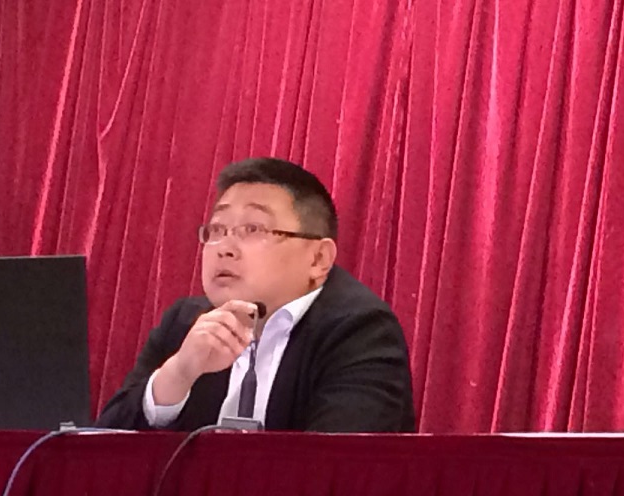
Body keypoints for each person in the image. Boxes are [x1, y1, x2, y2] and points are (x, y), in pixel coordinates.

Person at [95, 157, 415, 432]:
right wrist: (177, 375)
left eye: (253, 229)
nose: (225, 248)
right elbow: (101, 451)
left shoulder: (361, 332)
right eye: (217, 229)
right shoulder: (185, 323)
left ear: (318, 259)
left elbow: (338, 466)